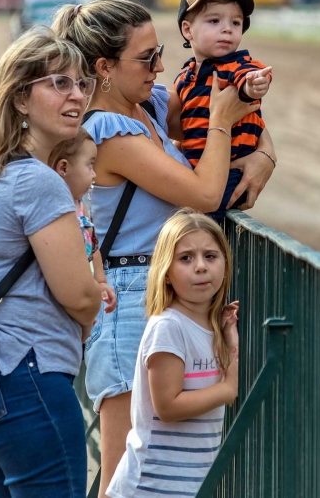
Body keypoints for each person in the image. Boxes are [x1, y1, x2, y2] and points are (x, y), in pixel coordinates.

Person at [52, 0, 276, 496]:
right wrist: (221, 117)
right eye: (147, 58)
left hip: (160, 298)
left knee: (165, 468)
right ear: (104, 68)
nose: (160, 68)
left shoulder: (149, 107)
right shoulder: (107, 133)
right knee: (126, 474)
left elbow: (232, 130)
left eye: (161, 55)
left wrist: (265, 154)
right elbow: (202, 191)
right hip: (129, 301)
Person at [0, 27, 102, 497]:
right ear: (20, 100)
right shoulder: (39, 182)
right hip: (23, 376)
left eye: (82, 83)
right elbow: (78, 296)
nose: (77, 95)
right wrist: (95, 302)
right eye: (58, 83)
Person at [107, 209, 240, 498]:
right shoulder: (168, 326)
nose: (201, 267)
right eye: (186, 258)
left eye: (211, 256)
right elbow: (167, 407)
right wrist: (227, 389)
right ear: (166, 274)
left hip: (184, 484)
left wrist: (230, 341)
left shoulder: (210, 326)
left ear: (226, 264)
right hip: (150, 486)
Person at [175, 0, 274, 221]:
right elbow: (183, 125)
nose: (227, 29)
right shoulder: (185, 77)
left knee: (204, 220)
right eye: (214, 20)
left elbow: (248, 80)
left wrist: (254, 85)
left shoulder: (236, 65)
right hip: (195, 170)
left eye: (236, 23)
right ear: (188, 29)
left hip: (231, 169)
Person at [47, 127, 118, 337]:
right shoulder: (53, 208)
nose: (94, 174)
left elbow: (93, 244)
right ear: (63, 168)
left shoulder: (80, 207)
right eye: (90, 165)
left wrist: (101, 281)